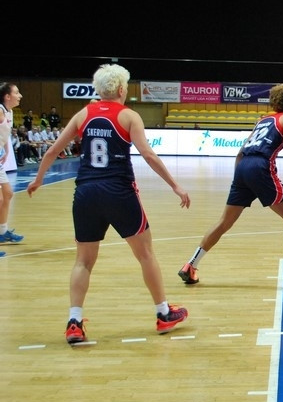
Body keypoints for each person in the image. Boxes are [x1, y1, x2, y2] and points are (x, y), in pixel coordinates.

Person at [26, 64, 190, 344]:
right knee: (145, 254)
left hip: (86, 193)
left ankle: (74, 322)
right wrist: (175, 185)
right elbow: (148, 155)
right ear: (122, 89)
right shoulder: (129, 116)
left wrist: (38, 179)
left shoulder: (83, 114)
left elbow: (53, 150)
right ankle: (163, 313)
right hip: (119, 192)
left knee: (83, 261)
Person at [178, 83, 283, 289]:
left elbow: (240, 151)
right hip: (260, 167)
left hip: (243, 167)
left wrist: (239, 181)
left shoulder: (263, 120)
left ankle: (191, 265)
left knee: (224, 222)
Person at [0, 83, 26, 255]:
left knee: (8, 194)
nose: (20, 95)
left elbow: (3, 134)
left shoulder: (8, 112)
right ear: (7, 96)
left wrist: (6, 149)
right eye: (17, 92)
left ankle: (2, 232)